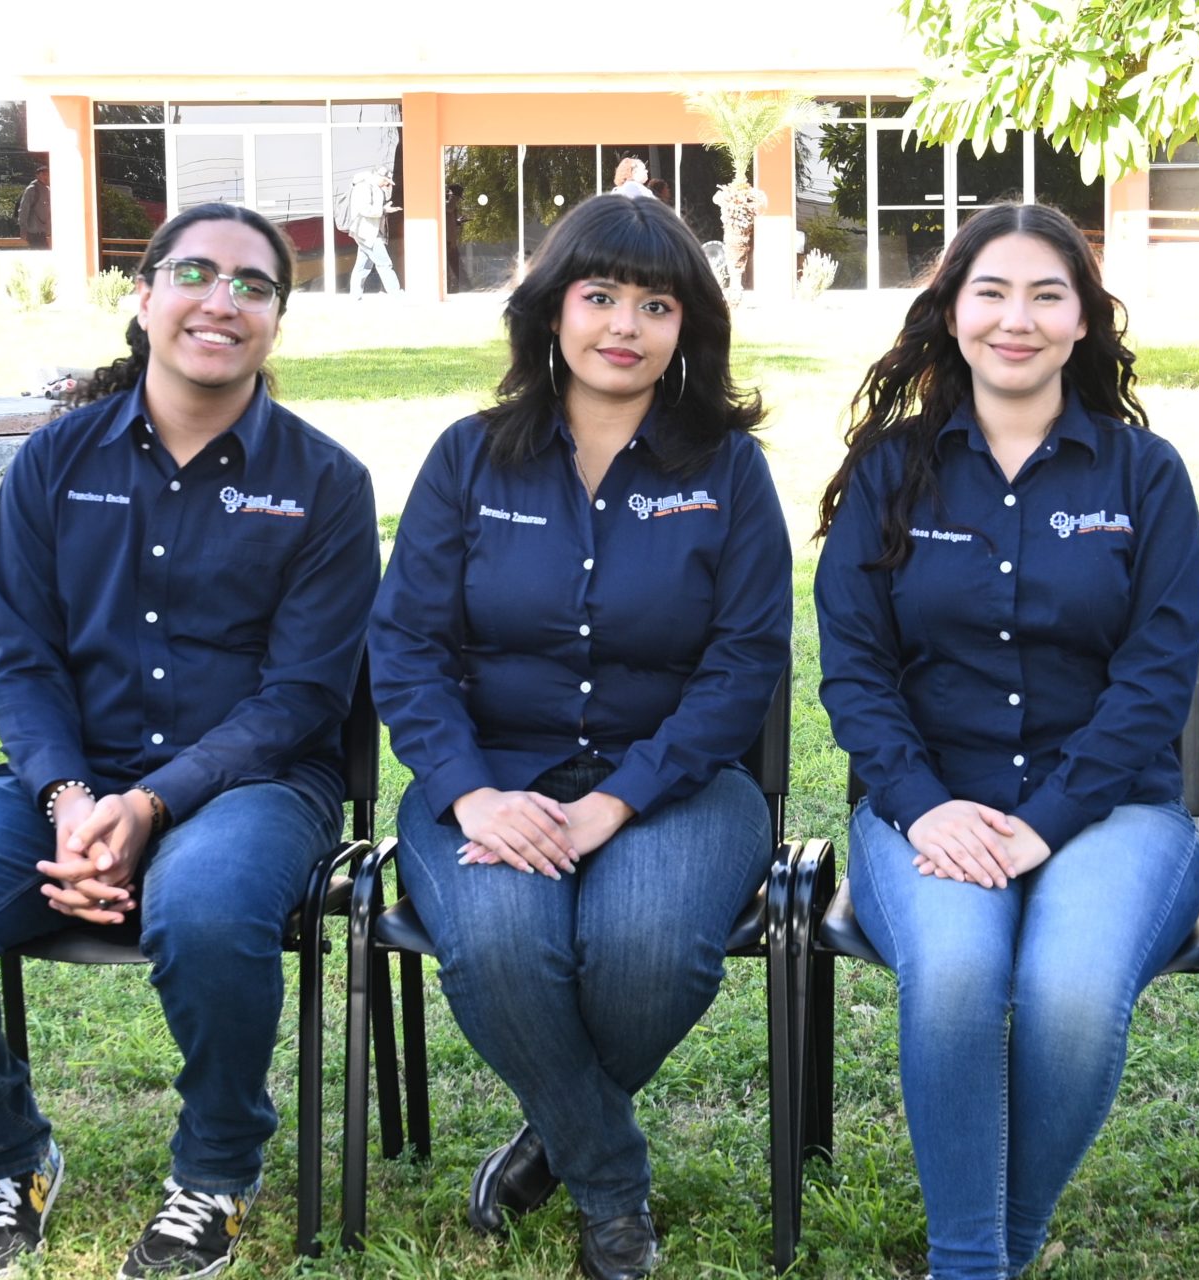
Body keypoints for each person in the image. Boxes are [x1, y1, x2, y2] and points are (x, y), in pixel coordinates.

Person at [0, 202, 379, 1280]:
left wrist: (149, 805)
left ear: (276, 320)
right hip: (69, 781)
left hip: (256, 784)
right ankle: (8, 1154)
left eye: (253, 284)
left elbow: (300, 697)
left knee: (208, 906)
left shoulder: (325, 484)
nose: (221, 300)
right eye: (194, 273)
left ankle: (217, 1170)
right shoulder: (54, 461)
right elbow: (23, 662)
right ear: (143, 298)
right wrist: (70, 800)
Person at [368, 192, 787, 1280]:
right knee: (502, 944)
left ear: (688, 327)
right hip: (489, 775)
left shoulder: (728, 471)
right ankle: (608, 1180)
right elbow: (405, 646)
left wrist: (617, 799)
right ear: (552, 308)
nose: (623, 326)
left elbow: (745, 662)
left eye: (656, 305)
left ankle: (552, 1141)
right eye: (599, 296)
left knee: (648, 948)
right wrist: (470, 794)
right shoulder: (468, 459)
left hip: (677, 784)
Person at [811, 202, 1199, 1280]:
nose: (1015, 319)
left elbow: (1157, 678)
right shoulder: (890, 471)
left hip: (1113, 809)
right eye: (990, 292)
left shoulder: (1145, 474)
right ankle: (972, 1261)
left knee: (1073, 993)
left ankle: (994, 1247)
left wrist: (1047, 821)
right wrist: (923, 805)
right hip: (928, 804)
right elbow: (855, 671)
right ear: (951, 312)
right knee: (954, 974)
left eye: (1046, 294)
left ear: (1083, 319)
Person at [345, 168, 402, 297]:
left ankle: (355, 295)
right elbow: (364, 209)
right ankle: (396, 293)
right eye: (386, 182)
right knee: (384, 263)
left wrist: (384, 207)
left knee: (363, 266)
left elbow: (378, 204)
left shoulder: (373, 187)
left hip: (366, 232)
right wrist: (383, 210)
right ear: (379, 177)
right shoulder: (364, 187)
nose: (386, 185)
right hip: (366, 233)